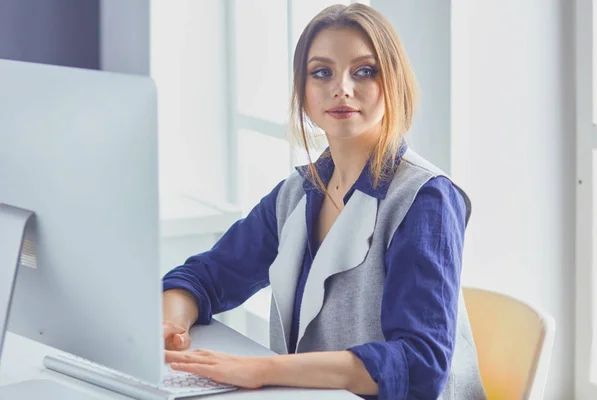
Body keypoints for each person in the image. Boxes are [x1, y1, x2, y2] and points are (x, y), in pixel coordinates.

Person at [161, 3, 487, 400]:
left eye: (364, 71)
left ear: (394, 82)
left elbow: (418, 367)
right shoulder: (298, 192)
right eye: (322, 72)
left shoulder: (426, 199)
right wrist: (172, 325)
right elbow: (204, 277)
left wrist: (264, 369)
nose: (342, 88)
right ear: (303, 89)